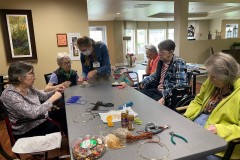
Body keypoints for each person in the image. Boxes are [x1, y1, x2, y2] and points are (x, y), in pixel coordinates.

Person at [184, 53, 240, 160]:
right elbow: (198, 101)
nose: (209, 79)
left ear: (228, 76)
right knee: (179, 145)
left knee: (190, 154)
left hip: (222, 140)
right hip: (201, 124)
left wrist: (219, 130)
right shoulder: (212, 82)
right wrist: (187, 116)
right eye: (208, 74)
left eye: (213, 77)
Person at [0, 61, 68, 140]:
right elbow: (33, 113)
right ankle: (73, 145)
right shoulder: (10, 95)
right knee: (61, 125)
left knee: (65, 112)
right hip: (26, 130)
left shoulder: (27, 87)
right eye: (31, 74)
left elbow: (43, 96)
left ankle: (71, 142)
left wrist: (56, 90)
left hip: (39, 119)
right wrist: (53, 98)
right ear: (19, 77)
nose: (34, 77)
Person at [140, 39, 187, 105]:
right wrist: (143, 82)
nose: (159, 54)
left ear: (171, 52)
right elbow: (155, 75)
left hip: (169, 95)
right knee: (141, 94)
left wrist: (165, 96)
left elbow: (180, 85)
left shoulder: (178, 62)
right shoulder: (161, 61)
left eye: (162, 52)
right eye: (159, 50)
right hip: (158, 90)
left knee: (148, 102)